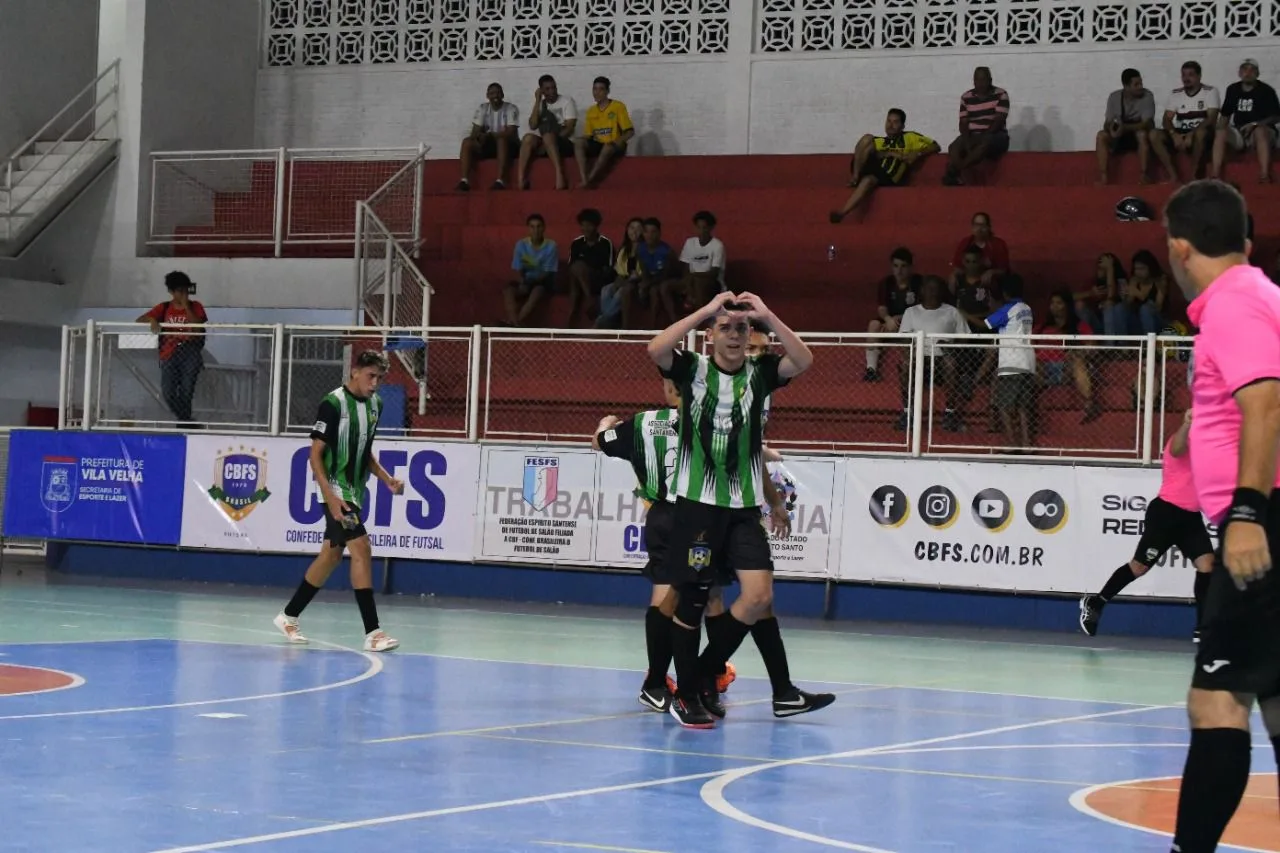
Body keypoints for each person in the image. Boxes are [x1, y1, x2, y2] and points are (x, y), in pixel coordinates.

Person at [647, 291, 834, 727]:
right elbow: (656, 348)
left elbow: (804, 359)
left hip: (744, 509)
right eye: (725, 328)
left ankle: (694, 681)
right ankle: (692, 691)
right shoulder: (691, 369)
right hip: (698, 508)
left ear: (751, 336)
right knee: (692, 601)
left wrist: (768, 314)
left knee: (758, 597)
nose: (734, 335)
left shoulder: (762, 374)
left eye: (742, 328)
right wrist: (706, 310)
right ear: (710, 335)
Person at [1162, 180, 1280, 853]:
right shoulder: (1260, 294)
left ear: (1179, 248)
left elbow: (1264, 403)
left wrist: (1246, 513)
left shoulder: (1234, 304)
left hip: (1263, 525)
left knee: (1216, 702)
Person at [592, 380, 748, 713]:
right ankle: (708, 680)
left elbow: (599, 442)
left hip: (665, 516)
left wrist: (607, 424)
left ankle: (659, 682)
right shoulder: (717, 425)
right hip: (708, 514)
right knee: (712, 596)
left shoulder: (643, 424)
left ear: (667, 389)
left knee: (668, 595)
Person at [273, 350, 401, 653]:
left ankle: (288, 616)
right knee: (362, 548)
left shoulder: (376, 405)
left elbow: (364, 451)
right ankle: (373, 632)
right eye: (371, 376)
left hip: (355, 490)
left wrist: (386, 478)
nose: (375, 384)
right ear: (355, 371)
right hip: (334, 491)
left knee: (331, 556)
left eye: (380, 378)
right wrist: (330, 498)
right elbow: (314, 455)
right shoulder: (333, 404)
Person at [1079, 409, 1213, 637]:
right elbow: (1178, 446)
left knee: (1208, 565)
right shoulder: (1179, 443)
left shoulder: (1208, 454)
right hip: (1166, 514)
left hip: (1191, 518)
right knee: (1139, 567)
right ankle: (1096, 603)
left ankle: (1202, 627)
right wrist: (1187, 423)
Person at [830, 108, 937, 223]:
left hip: (890, 173)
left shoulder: (910, 137)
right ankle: (855, 177)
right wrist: (888, 153)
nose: (891, 125)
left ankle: (842, 212)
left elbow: (935, 146)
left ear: (902, 126)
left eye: (895, 122)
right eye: (889, 121)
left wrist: (917, 154)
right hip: (874, 167)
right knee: (867, 138)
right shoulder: (880, 141)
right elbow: (869, 151)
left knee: (868, 180)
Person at [896, 275, 969, 432]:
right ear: (922, 291)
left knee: (950, 362)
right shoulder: (911, 312)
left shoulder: (952, 312)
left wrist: (950, 345)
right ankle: (907, 412)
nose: (932, 292)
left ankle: (950, 413)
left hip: (943, 359)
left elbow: (965, 339)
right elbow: (904, 340)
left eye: (935, 289)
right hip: (919, 358)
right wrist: (912, 348)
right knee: (905, 362)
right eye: (929, 288)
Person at [137, 271, 208, 428]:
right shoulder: (164, 307)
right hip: (169, 352)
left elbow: (198, 328)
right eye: (180, 291)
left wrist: (186, 307)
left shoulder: (196, 306)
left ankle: (185, 423)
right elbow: (139, 319)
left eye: (186, 291)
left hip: (190, 351)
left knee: (186, 390)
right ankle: (186, 421)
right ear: (171, 292)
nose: (184, 294)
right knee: (168, 391)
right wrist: (152, 320)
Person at [1210, 58, 1280, 184]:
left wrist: (1255, 124)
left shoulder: (1266, 90)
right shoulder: (1233, 89)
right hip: (1240, 131)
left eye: (1252, 70)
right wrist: (1219, 130)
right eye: (1244, 69)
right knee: (1220, 131)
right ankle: (1215, 176)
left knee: (1259, 131)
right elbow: (1225, 114)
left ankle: (1264, 175)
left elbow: (1276, 116)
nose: (1248, 73)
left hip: (1262, 132)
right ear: (1240, 73)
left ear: (1257, 74)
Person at [986, 273, 1035, 451]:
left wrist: (965, 314)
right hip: (1028, 362)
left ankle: (1012, 443)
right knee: (1023, 406)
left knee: (1004, 404)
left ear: (1005, 292)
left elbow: (986, 324)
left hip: (1011, 362)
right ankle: (1027, 443)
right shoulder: (1027, 308)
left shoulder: (1008, 309)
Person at [1037, 290, 1100, 424]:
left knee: (1076, 359)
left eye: (1059, 303)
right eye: (1052, 303)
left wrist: (1077, 351)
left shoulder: (1079, 326)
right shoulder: (1042, 327)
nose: (1054, 306)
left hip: (1066, 368)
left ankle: (1090, 404)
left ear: (1067, 305)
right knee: (1031, 361)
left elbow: (1093, 347)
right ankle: (1032, 409)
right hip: (1044, 369)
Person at [1150, 61, 1219, 182]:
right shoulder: (1176, 94)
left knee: (1201, 133)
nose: (1186, 78)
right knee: (1154, 134)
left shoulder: (1210, 91)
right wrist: (1173, 133)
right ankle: (1173, 175)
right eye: (1184, 75)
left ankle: (1193, 176)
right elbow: (1166, 119)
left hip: (1201, 133)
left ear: (1199, 76)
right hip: (1181, 131)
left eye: (1190, 75)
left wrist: (1191, 134)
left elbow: (1211, 118)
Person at [943, 67, 1011, 186]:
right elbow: (963, 122)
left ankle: (955, 170)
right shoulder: (966, 97)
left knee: (985, 142)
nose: (980, 83)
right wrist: (966, 139)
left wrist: (980, 139)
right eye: (977, 80)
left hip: (996, 135)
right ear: (973, 81)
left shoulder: (1001, 94)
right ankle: (957, 173)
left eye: (983, 80)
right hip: (973, 134)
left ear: (990, 80)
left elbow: (998, 121)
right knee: (954, 147)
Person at [865, 247, 921, 382]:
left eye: (903, 266)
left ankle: (912, 370)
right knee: (873, 324)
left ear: (911, 267)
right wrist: (888, 319)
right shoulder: (886, 283)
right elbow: (882, 308)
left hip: (911, 322)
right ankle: (871, 369)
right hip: (890, 323)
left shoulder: (918, 283)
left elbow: (921, 308)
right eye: (896, 266)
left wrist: (900, 318)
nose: (899, 270)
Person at [661, 211, 725, 322]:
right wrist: (689, 282)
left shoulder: (717, 245)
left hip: (710, 283)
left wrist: (694, 277)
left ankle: (698, 323)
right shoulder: (690, 242)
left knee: (699, 284)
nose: (701, 231)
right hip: (690, 280)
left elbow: (713, 273)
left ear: (711, 228)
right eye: (698, 227)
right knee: (665, 286)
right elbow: (684, 266)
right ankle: (674, 321)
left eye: (704, 228)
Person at [516, 74, 578, 190]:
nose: (552, 91)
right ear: (542, 91)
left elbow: (570, 128)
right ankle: (521, 179)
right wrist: (537, 100)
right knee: (527, 138)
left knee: (548, 137)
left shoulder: (567, 101)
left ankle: (560, 176)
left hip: (564, 142)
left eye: (554, 87)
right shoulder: (541, 104)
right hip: (546, 143)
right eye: (548, 89)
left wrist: (549, 141)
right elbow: (533, 125)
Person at [1096, 68, 1156, 185]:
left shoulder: (1147, 96)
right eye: (1136, 84)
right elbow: (1107, 122)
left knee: (1142, 134)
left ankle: (1144, 175)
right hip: (1120, 135)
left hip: (1137, 133)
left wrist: (1125, 128)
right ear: (1126, 86)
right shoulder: (1114, 97)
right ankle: (1104, 176)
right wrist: (1111, 129)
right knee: (1101, 136)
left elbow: (1146, 123)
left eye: (1141, 83)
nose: (1140, 87)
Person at [457, 82, 519, 191]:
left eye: (498, 93)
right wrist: (480, 135)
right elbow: (474, 133)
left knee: (501, 139)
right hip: (489, 144)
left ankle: (500, 181)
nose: (495, 96)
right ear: (487, 96)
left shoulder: (510, 108)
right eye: (492, 93)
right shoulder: (483, 108)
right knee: (467, 142)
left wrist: (492, 135)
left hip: (509, 146)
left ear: (503, 95)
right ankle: (464, 180)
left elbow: (511, 132)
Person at [574, 76, 634, 188]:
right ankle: (584, 178)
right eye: (594, 89)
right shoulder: (591, 110)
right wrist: (580, 141)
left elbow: (629, 132)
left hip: (615, 145)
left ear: (607, 91)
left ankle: (590, 180)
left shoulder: (618, 106)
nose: (597, 92)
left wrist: (616, 142)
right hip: (599, 144)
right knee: (578, 142)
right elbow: (588, 135)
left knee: (607, 146)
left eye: (601, 89)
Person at [504, 213, 558, 327]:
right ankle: (515, 324)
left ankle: (514, 324)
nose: (536, 230)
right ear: (528, 229)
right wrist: (523, 283)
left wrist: (529, 283)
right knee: (508, 291)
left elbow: (547, 272)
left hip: (542, 282)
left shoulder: (551, 246)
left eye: (539, 226)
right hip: (525, 280)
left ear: (544, 228)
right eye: (532, 227)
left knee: (537, 291)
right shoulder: (521, 245)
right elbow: (518, 269)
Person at [567, 208, 614, 327]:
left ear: (596, 226)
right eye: (583, 225)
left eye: (589, 226)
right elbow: (571, 266)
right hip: (578, 280)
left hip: (598, 279)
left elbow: (608, 269)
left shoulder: (605, 243)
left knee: (579, 266)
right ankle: (587, 301)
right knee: (577, 268)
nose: (585, 229)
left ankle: (573, 313)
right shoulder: (576, 243)